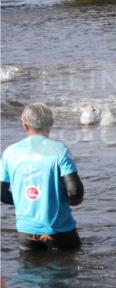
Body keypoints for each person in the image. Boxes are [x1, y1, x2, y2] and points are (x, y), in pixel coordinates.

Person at [0, 103, 84, 252]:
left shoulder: (9, 153)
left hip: (26, 234)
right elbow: (75, 191)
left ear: (25, 126)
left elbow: (1, 193)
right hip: (60, 232)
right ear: (51, 124)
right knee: (67, 271)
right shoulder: (59, 150)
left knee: (30, 273)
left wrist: (22, 200)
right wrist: (74, 199)